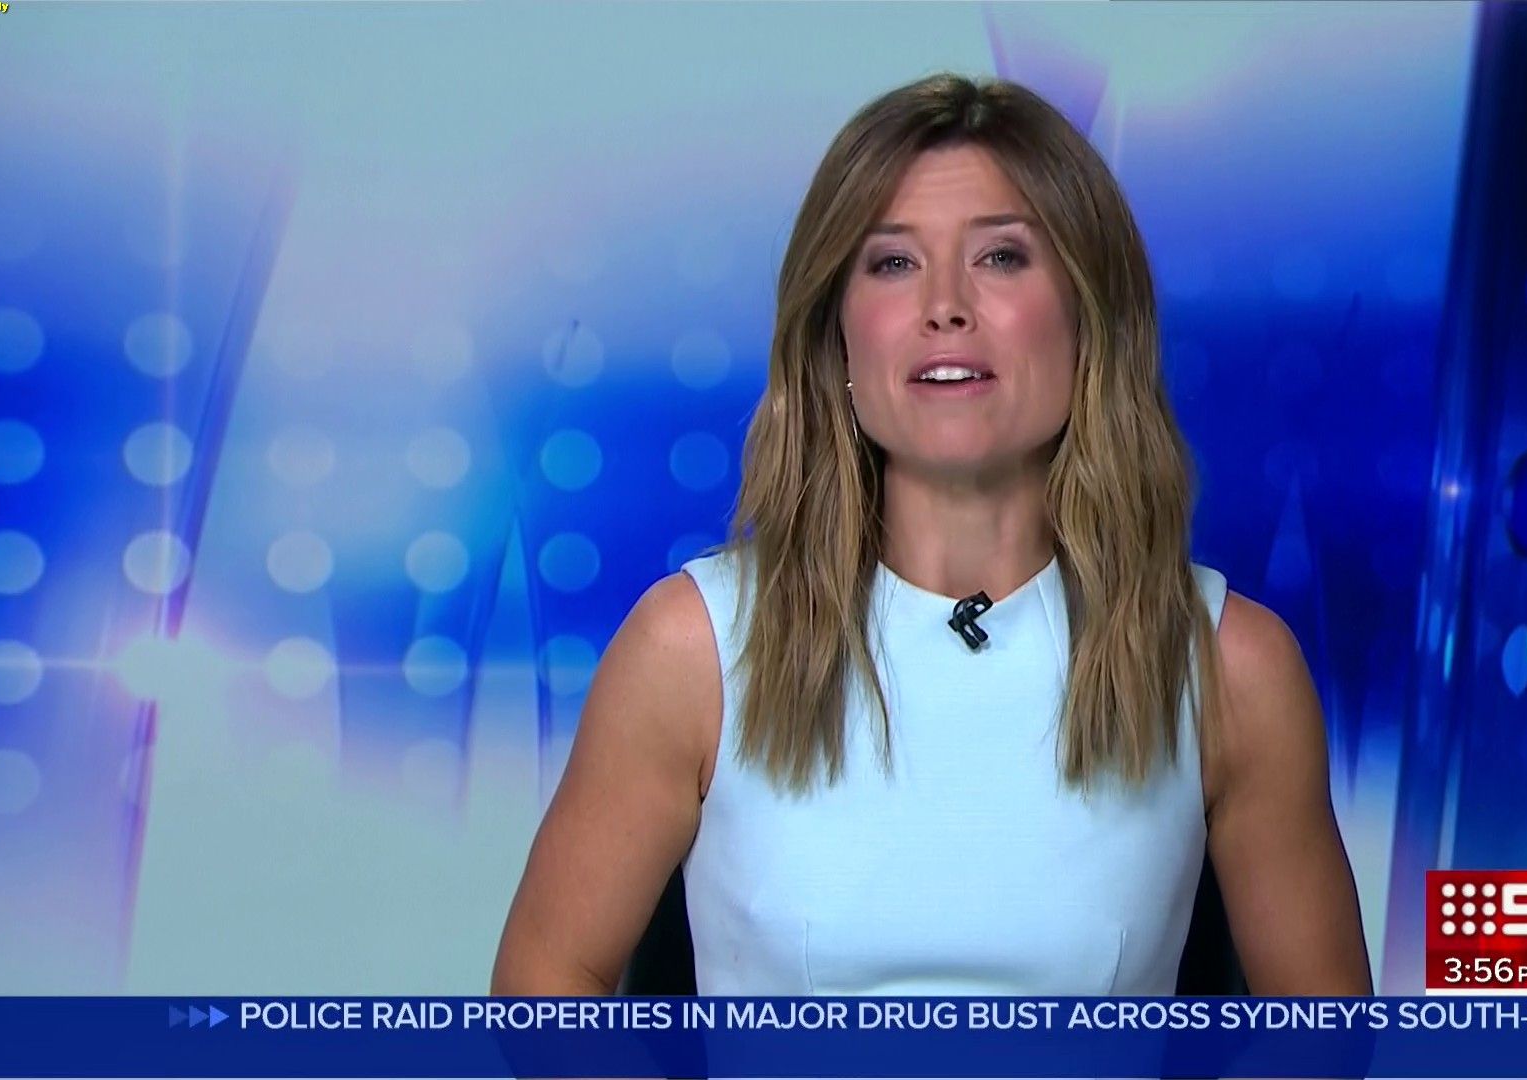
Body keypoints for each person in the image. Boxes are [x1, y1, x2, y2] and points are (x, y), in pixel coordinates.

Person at [492, 72, 1371, 998]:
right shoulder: (691, 650)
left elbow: (1320, 1032)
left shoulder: (1231, 668)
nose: (945, 304)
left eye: (1001, 256)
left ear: (1090, 320)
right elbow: (546, 982)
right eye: (893, 263)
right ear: (837, 338)